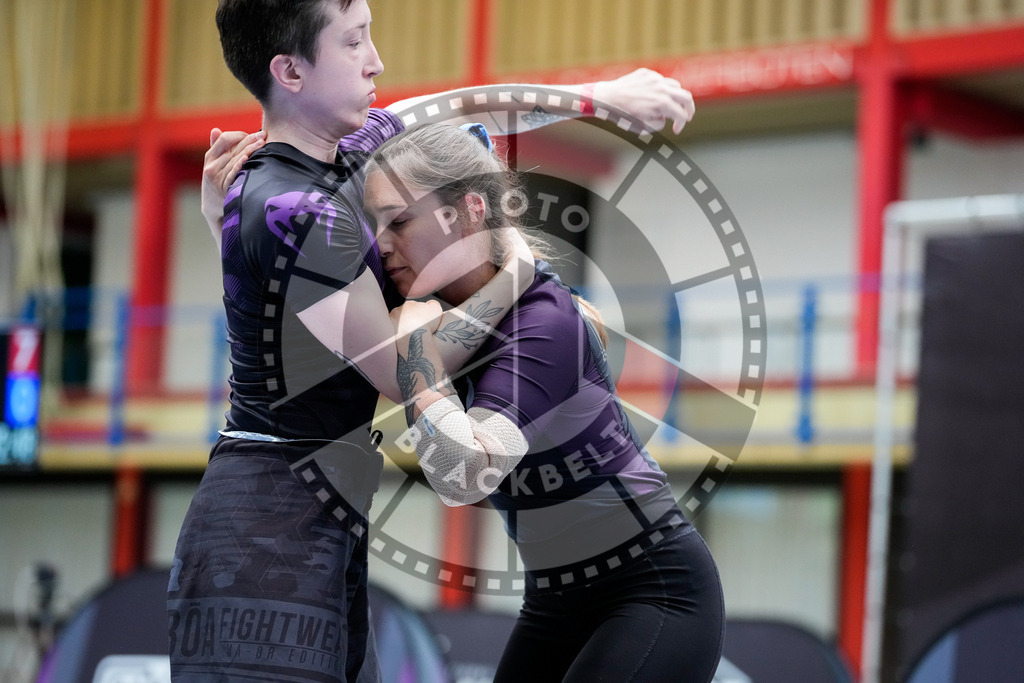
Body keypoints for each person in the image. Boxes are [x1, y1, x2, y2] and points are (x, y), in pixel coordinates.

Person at [170, 1, 698, 681]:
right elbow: (398, 372)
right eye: (354, 41)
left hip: (325, 501)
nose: (376, 60)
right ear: (289, 70)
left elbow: (458, 109)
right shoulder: (296, 207)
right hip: (271, 521)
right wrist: (515, 282)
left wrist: (600, 98)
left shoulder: (323, 168)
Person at [364, 123, 725, 683]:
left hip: (652, 592)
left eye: (399, 221)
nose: (380, 243)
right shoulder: (438, 290)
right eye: (376, 223)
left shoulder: (544, 323)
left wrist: (417, 350)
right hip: (557, 601)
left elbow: (464, 475)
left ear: (468, 211)